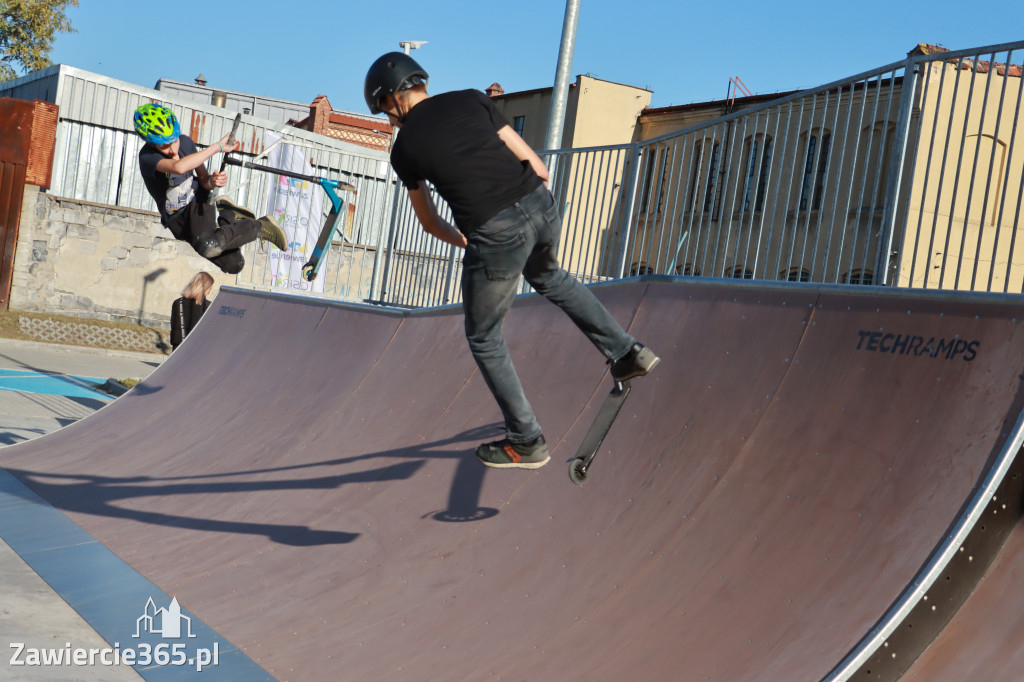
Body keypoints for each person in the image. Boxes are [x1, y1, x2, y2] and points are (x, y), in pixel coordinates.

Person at [364, 52, 660, 470]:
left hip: (494, 230)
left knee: (484, 336)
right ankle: (627, 352)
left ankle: (526, 439)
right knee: (552, 277)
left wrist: (469, 240)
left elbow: (429, 222)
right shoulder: (471, 99)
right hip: (541, 206)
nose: (391, 122)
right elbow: (538, 166)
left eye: (385, 113)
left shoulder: (405, 149)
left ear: (393, 99)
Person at [133, 103, 288, 274]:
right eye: (164, 146)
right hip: (177, 221)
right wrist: (218, 147)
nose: (172, 149)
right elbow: (179, 167)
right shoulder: (148, 157)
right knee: (234, 264)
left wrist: (212, 181)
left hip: (197, 202)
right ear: (152, 144)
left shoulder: (185, 143)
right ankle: (228, 213)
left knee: (208, 245)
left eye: (174, 141)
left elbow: (203, 179)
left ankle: (260, 226)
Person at [170, 271, 214, 350]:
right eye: (210, 286)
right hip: (197, 350)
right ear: (205, 287)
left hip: (178, 348)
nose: (211, 288)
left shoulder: (178, 303)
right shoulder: (208, 306)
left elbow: (174, 324)